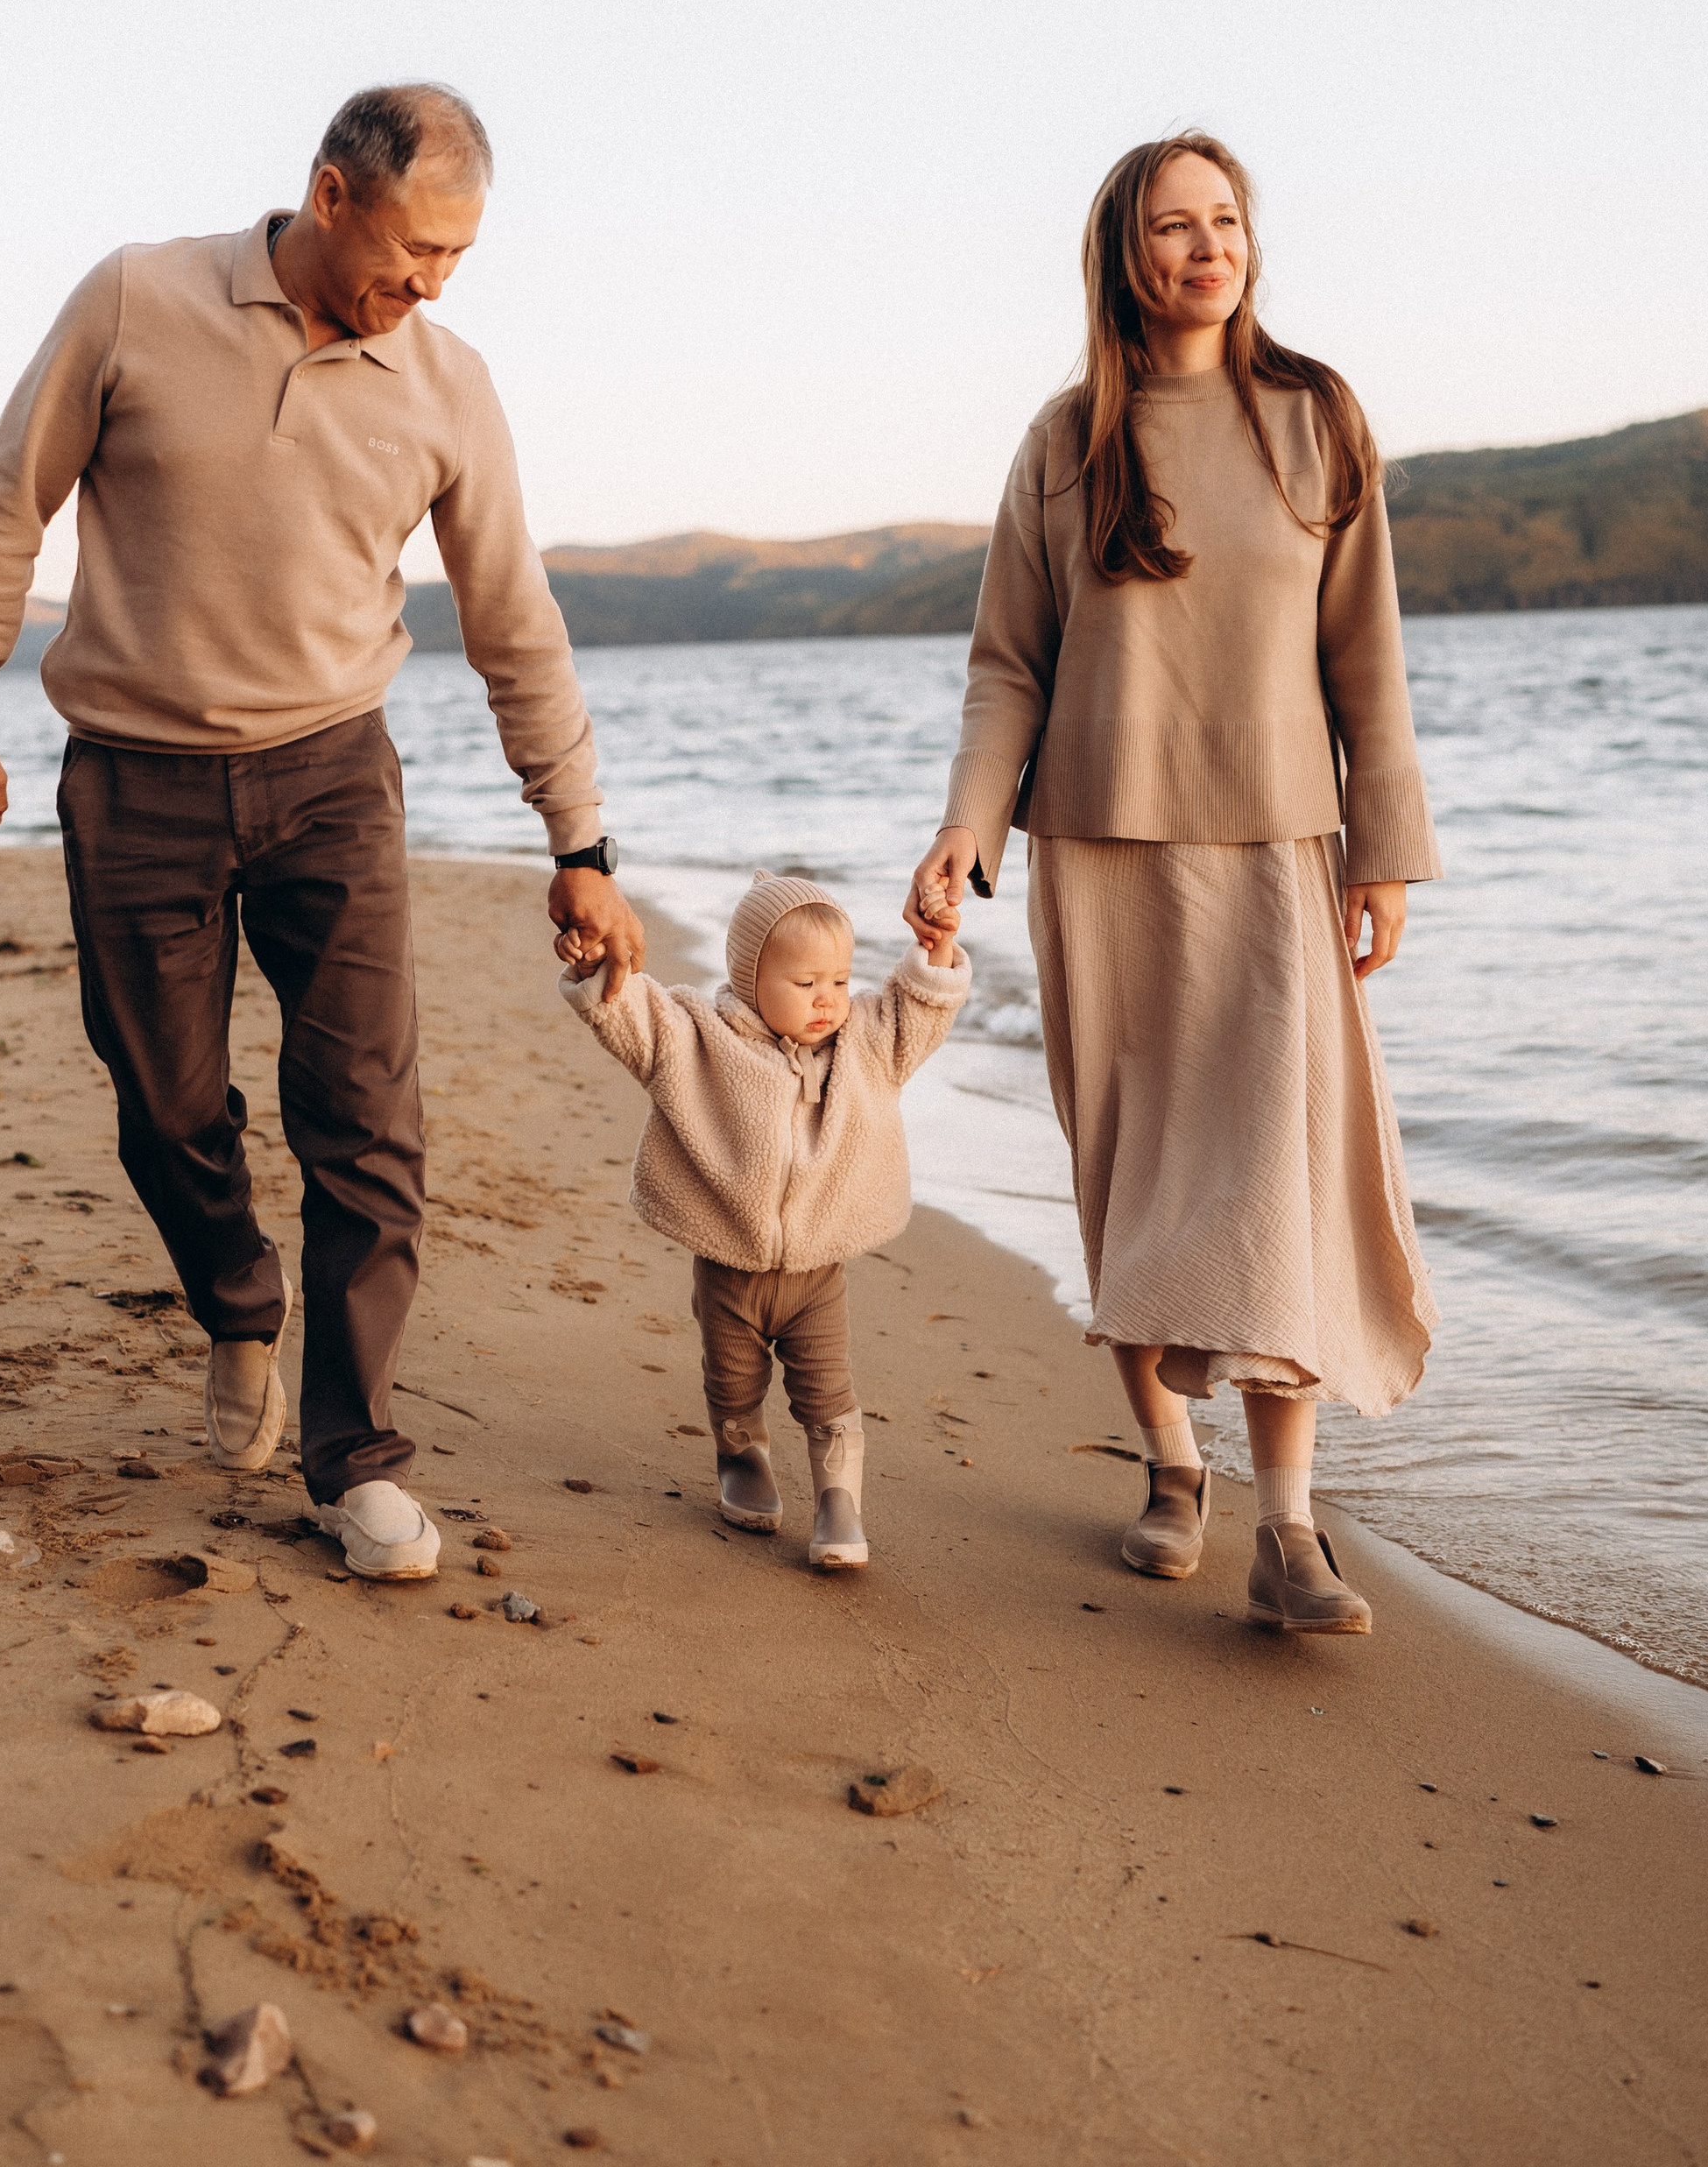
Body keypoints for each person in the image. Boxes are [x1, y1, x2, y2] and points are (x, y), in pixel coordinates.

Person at [0, 83, 644, 1580]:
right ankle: (238, 1298)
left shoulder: (448, 384)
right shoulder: (137, 299)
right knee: (165, 1104)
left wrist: (580, 841)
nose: (433, 284)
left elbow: (515, 623)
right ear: (331, 195)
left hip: (331, 780)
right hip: (134, 778)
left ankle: (355, 1457)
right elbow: (8, 506)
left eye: (459, 256)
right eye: (416, 248)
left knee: (368, 1120)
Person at [906, 133, 1438, 1636]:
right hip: (1098, 847)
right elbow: (1008, 666)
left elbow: (1368, 655)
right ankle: (1168, 1463)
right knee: (1133, 1172)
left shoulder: (1315, 417)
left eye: (1226, 222)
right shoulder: (1067, 440)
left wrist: (1386, 846)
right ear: (1122, 255)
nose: (1208, 249)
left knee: (1274, 1179)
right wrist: (967, 829)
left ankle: (1290, 1528)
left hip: (1277, 849)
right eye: (1173, 226)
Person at [562, 870, 968, 1568]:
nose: (827, 999)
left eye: (839, 981)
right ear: (751, 978)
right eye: (805, 982)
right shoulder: (696, 1039)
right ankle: (741, 1455)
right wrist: (596, 962)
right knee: (733, 1382)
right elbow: (631, 1013)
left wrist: (935, 951)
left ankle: (838, 1502)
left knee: (826, 1391)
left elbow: (918, 1012)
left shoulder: (866, 1045)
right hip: (729, 1269)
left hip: (816, 1275)